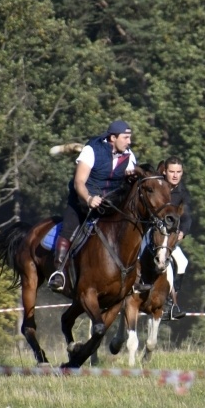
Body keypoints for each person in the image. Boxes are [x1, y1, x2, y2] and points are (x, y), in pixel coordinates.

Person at [48, 120, 138, 292]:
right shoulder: (91, 150)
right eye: (126, 137)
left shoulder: (129, 156)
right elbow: (79, 182)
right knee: (69, 230)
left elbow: (131, 181)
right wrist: (89, 199)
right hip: (82, 202)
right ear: (113, 137)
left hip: (108, 205)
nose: (129, 141)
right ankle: (59, 272)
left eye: (129, 138)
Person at [158, 157, 192, 321]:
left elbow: (187, 218)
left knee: (183, 262)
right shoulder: (157, 186)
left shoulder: (183, 193)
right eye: (171, 171)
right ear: (165, 171)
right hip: (151, 233)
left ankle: (172, 304)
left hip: (169, 238)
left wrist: (182, 233)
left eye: (178, 172)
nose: (175, 175)